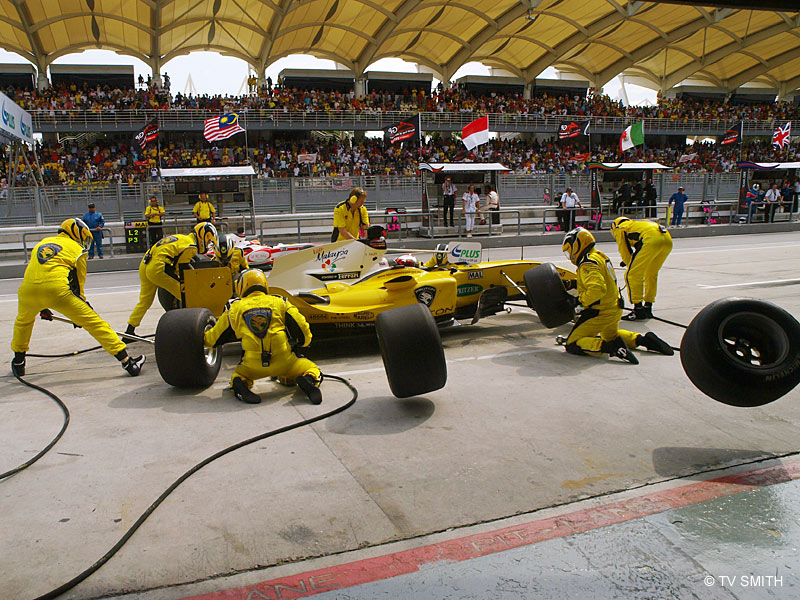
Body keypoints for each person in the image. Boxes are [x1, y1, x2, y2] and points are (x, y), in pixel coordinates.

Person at [11, 218, 145, 377]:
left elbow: (37, 274)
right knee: (95, 323)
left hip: (27, 291)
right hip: (57, 290)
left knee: (23, 323)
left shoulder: (42, 243)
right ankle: (129, 363)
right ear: (76, 232)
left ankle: (19, 363)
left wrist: (41, 306)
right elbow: (79, 282)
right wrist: (82, 308)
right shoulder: (77, 249)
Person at [203, 269, 322, 405]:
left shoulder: (234, 308)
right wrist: (305, 342)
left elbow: (215, 337)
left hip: (252, 366)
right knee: (312, 369)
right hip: (285, 361)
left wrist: (202, 339)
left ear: (241, 286)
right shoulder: (280, 302)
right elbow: (302, 327)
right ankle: (308, 380)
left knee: (239, 374)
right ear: (265, 284)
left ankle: (240, 384)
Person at [560, 227, 673, 364]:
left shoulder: (587, 263)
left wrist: (578, 301)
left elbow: (597, 289)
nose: (570, 255)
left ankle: (611, 348)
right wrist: (573, 284)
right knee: (610, 335)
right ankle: (642, 339)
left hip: (600, 311)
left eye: (570, 250)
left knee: (572, 343)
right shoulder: (598, 256)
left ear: (577, 245)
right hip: (615, 307)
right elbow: (598, 280)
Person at [124, 222, 218, 340]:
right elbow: (180, 268)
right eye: (209, 241)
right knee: (187, 297)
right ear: (205, 236)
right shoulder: (191, 247)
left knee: (145, 301)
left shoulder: (181, 237)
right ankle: (188, 330)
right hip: (159, 268)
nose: (208, 244)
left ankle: (129, 331)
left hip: (145, 263)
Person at [610, 216, 673, 321]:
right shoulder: (638, 223)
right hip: (667, 239)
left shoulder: (620, 228)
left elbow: (624, 250)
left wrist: (628, 263)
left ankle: (638, 309)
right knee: (651, 274)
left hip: (650, 241)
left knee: (632, 275)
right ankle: (648, 306)